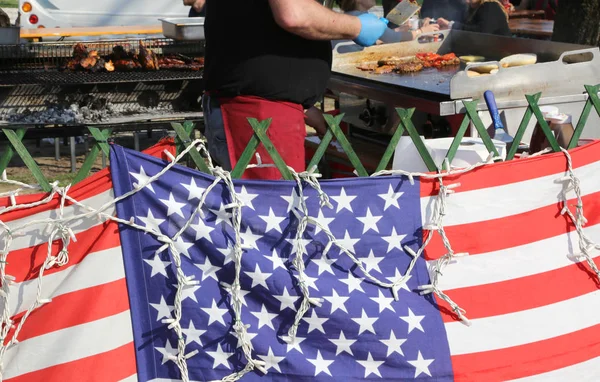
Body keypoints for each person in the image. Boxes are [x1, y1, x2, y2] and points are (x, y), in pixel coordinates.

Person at [203, 0, 389, 179]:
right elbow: (294, 13)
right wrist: (357, 26)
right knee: (274, 207)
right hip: (258, 114)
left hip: (257, 106)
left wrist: (303, 107)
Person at [338, 0, 439, 42]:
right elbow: (392, 38)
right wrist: (421, 32)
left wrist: (398, 30)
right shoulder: (363, 19)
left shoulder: (350, 15)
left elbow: (378, 38)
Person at [437, 0, 511, 36]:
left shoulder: (490, 6)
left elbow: (481, 33)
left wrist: (451, 25)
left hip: (501, 57)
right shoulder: (470, 9)